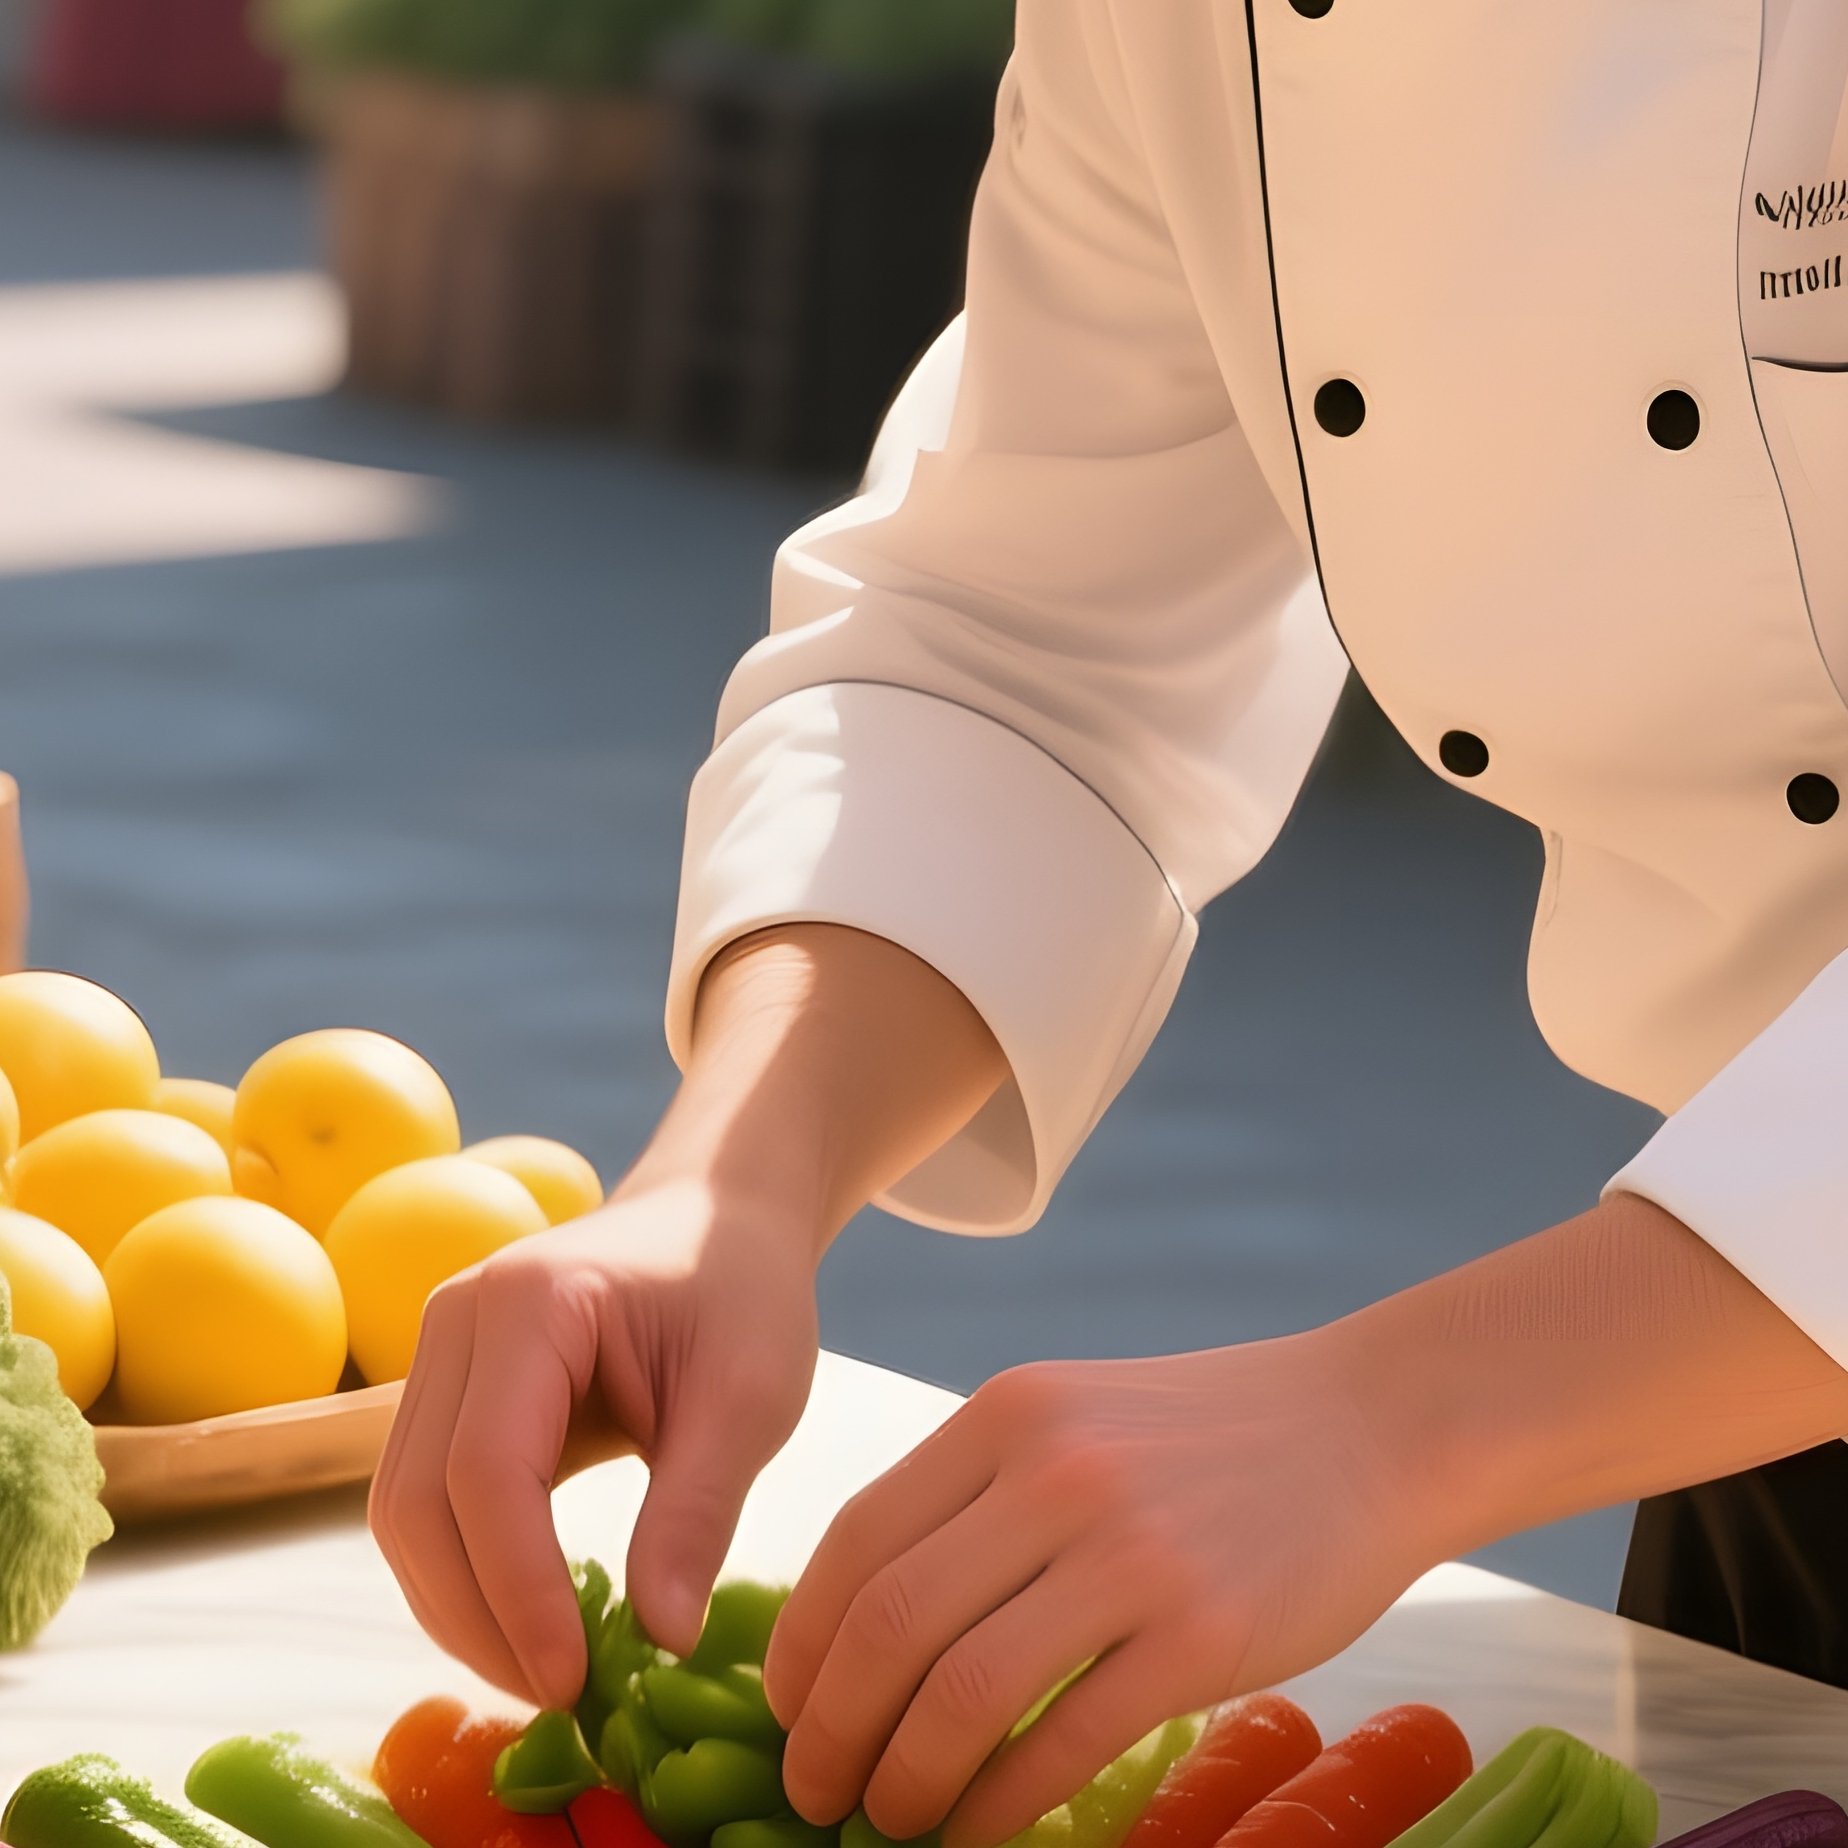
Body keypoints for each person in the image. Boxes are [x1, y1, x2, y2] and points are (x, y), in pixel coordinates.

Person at [371, 3, 1848, 1844]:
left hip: (1691, 1323)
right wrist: (734, 1174)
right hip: (1749, 1418)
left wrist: (1394, 1421)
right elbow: (1026, 642)